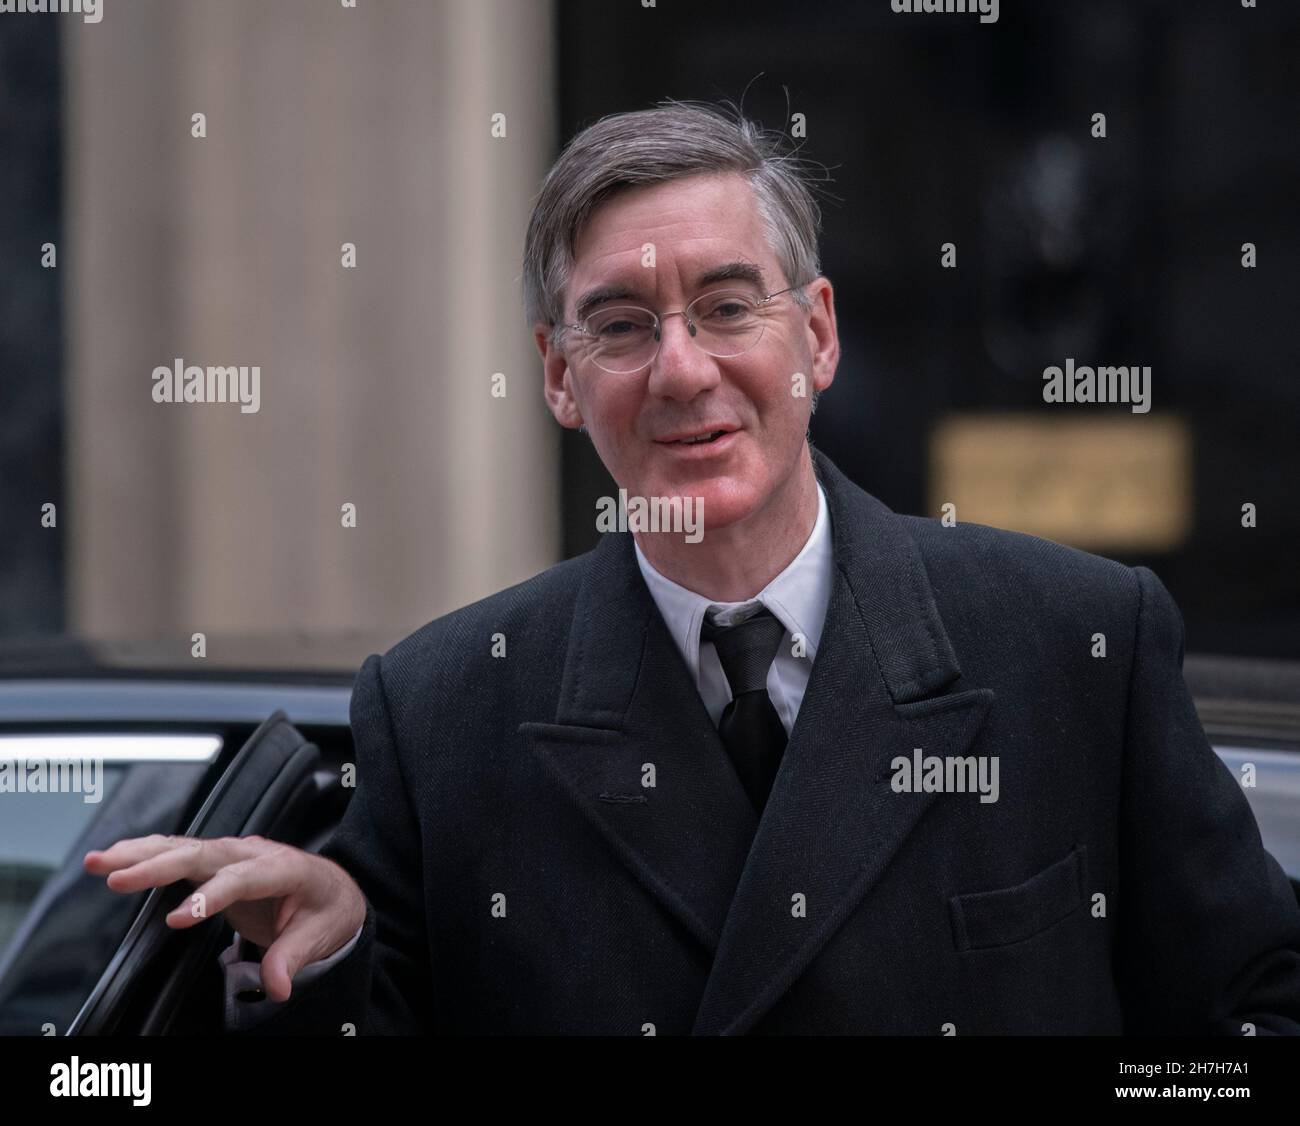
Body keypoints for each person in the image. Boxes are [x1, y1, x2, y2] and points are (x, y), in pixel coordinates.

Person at [84, 100, 1300, 1035]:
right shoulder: (443, 707)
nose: (679, 369)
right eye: (618, 326)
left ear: (814, 334)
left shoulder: (1073, 642)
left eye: (727, 306)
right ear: (558, 376)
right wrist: (337, 956)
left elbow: (1251, 1006)